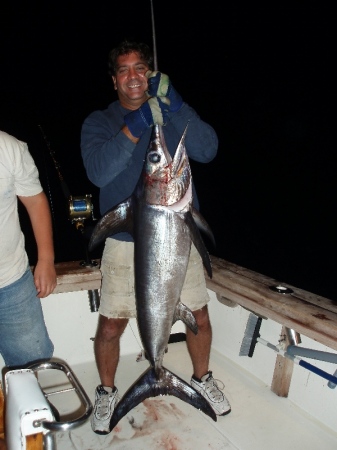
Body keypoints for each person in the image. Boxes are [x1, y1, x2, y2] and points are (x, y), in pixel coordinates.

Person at [81, 40, 231, 435]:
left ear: (151, 74)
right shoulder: (99, 121)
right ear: (114, 80)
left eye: (140, 68)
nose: (134, 76)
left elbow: (208, 148)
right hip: (125, 244)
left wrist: (176, 107)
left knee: (198, 314)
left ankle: (201, 378)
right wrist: (136, 126)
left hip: (178, 238)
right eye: (125, 70)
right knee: (111, 325)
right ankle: (108, 391)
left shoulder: (170, 112)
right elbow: (98, 172)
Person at [0, 130, 56, 369]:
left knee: (34, 359)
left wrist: (46, 259)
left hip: (10, 279)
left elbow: (35, 201)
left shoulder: (8, 147)